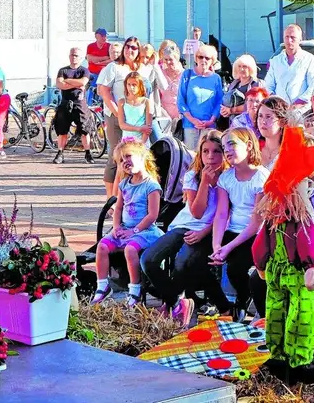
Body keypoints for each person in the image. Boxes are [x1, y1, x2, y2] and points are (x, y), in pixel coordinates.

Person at [252, 127, 314, 384]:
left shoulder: (297, 218)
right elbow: (265, 241)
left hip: (288, 272)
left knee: (290, 312)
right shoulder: (280, 219)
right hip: (284, 272)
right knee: (287, 312)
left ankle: (289, 358)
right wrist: (261, 261)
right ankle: (287, 358)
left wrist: (312, 267)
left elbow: (309, 244)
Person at [144, 131, 226, 326]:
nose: (210, 157)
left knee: (183, 262)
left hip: (210, 230)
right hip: (185, 225)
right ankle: (175, 300)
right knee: (148, 259)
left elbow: (223, 215)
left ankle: (176, 304)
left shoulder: (227, 178)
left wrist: (203, 233)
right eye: (206, 151)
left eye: (216, 152)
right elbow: (196, 212)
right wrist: (205, 182)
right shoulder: (192, 175)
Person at [89, 138, 163, 306]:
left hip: (144, 231)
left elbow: (152, 215)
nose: (125, 162)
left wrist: (134, 231)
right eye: (121, 160)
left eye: (128, 156)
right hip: (125, 228)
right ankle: (103, 285)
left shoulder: (151, 186)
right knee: (102, 246)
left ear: (142, 156)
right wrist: (116, 228)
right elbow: (119, 208)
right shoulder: (124, 184)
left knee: (130, 250)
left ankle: (135, 288)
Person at [209, 127, 270, 319]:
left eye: (232, 144)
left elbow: (256, 222)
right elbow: (221, 213)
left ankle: (244, 299)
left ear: (249, 145)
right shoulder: (226, 178)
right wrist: (217, 244)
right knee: (204, 262)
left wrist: (227, 248)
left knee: (236, 267)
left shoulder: (260, 177)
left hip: (255, 234)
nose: (226, 150)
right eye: (224, 145)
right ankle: (224, 305)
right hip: (232, 231)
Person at [97, 37, 158, 194]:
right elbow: (103, 91)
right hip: (116, 115)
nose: (130, 50)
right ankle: (111, 197)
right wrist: (118, 112)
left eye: (134, 48)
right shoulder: (114, 67)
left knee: (136, 155)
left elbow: (148, 90)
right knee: (115, 156)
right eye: (127, 47)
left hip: (137, 117)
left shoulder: (142, 68)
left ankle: (132, 192)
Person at [176, 45, 225, 149]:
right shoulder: (187, 75)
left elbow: (219, 101)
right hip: (190, 125)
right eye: (200, 57)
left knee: (207, 157)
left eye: (207, 58)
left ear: (212, 60)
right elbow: (181, 100)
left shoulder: (216, 78)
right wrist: (193, 120)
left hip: (209, 125)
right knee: (191, 158)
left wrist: (211, 120)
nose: (203, 60)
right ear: (196, 58)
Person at [51, 47, 91, 164]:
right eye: (72, 55)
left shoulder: (84, 70)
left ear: (81, 58)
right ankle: (60, 153)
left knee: (85, 129)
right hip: (65, 103)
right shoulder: (62, 70)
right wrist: (75, 84)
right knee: (62, 130)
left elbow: (83, 82)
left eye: (76, 55)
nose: (74, 57)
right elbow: (60, 84)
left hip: (80, 103)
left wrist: (67, 81)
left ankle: (88, 153)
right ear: (69, 56)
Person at [263, 24, 314, 102]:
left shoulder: (309, 59)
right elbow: (268, 85)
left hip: (301, 110)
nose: (289, 40)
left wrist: (299, 102)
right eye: (287, 37)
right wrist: (275, 102)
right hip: (279, 110)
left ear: (300, 39)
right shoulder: (275, 61)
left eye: (293, 37)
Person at [221, 54, 262, 132]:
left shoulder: (256, 84)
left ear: (251, 68)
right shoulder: (234, 83)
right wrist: (224, 110)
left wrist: (231, 110)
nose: (241, 69)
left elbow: (254, 105)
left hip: (250, 127)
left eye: (245, 66)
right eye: (239, 66)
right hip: (233, 125)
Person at [118, 70, 157, 147]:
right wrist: (139, 128)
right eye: (128, 84)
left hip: (141, 142)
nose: (131, 87)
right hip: (126, 141)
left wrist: (141, 143)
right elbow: (122, 125)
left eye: (134, 85)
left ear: (140, 86)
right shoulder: (122, 102)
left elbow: (148, 127)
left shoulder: (146, 102)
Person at [157, 40, 184, 129]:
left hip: (181, 117)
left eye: (171, 59)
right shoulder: (161, 73)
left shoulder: (184, 74)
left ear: (177, 59)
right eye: (166, 59)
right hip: (164, 117)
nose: (168, 62)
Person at [84, 28, 111, 92]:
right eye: (102, 36)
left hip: (105, 74)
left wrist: (99, 62)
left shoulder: (109, 46)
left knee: (103, 93)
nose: (104, 38)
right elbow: (89, 59)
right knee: (90, 92)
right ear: (96, 36)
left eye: (105, 36)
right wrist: (105, 58)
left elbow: (112, 60)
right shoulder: (90, 46)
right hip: (92, 74)